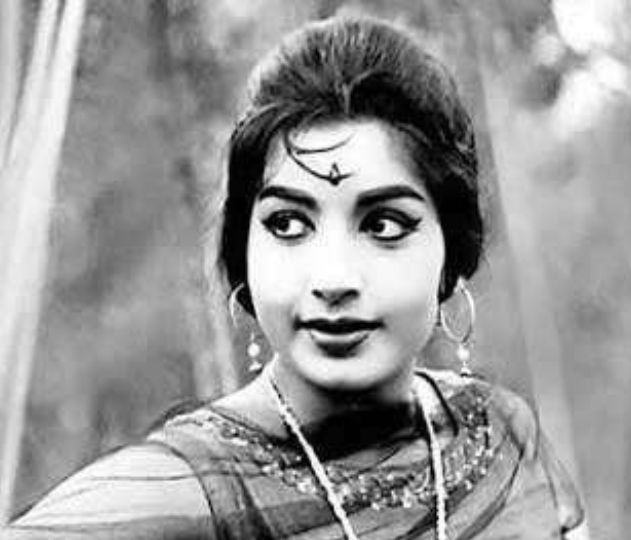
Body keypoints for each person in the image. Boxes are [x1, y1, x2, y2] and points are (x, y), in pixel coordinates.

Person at [3, 15, 584, 540]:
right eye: (288, 224)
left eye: (383, 224)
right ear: (244, 252)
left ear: (451, 254)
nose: (333, 278)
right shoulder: (190, 488)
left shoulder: (503, 439)